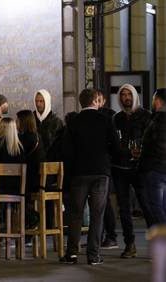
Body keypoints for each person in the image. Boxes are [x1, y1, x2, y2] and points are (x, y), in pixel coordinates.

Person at [60, 88, 114, 265]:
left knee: (75, 213)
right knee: (97, 214)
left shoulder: (74, 122)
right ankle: (93, 254)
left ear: (81, 102)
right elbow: (115, 145)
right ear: (94, 101)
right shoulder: (105, 120)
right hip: (100, 172)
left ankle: (72, 253)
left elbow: (66, 151)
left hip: (79, 173)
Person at [111, 83, 154, 258]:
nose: (126, 98)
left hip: (139, 168)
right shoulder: (116, 118)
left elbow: (151, 141)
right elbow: (113, 140)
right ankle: (130, 244)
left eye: (129, 94)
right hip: (120, 168)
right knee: (123, 207)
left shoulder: (146, 116)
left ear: (134, 96)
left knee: (147, 206)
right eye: (123, 95)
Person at [95, 90, 119, 250]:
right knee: (98, 203)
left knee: (106, 203)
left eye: (98, 100)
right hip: (98, 164)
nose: (96, 103)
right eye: (94, 100)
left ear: (103, 101)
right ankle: (98, 236)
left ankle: (111, 236)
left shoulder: (110, 116)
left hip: (106, 165)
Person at [140, 89, 166, 225]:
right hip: (160, 168)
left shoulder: (159, 120)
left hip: (156, 169)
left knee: (156, 208)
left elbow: (158, 144)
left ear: (157, 101)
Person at [16, 110, 45, 193]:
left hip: (31, 179)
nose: (15, 122)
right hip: (40, 178)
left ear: (23, 122)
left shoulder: (25, 138)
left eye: (17, 120)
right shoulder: (37, 135)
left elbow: (18, 156)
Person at [33, 89, 63, 155]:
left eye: (41, 101)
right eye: (36, 101)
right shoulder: (31, 119)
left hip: (51, 160)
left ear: (47, 102)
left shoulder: (56, 121)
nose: (38, 104)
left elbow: (60, 144)